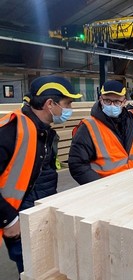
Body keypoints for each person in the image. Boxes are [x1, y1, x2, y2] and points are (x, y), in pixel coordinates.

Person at [0, 75, 82, 274]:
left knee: (46, 269)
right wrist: (9, 220)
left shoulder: (43, 132)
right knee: (31, 270)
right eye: (67, 103)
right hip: (18, 218)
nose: (69, 109)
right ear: (50, 104)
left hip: (41, 211)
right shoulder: (10, 131)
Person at [68, 80, 133, 185]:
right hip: (104, 190)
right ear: (101, 99)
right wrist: (100, 186)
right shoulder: (88, 128)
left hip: (128, 183)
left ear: (124, 102)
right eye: (107, 101)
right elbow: (77, 164)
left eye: (117, 102)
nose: (112, 105)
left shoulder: (129, 122)